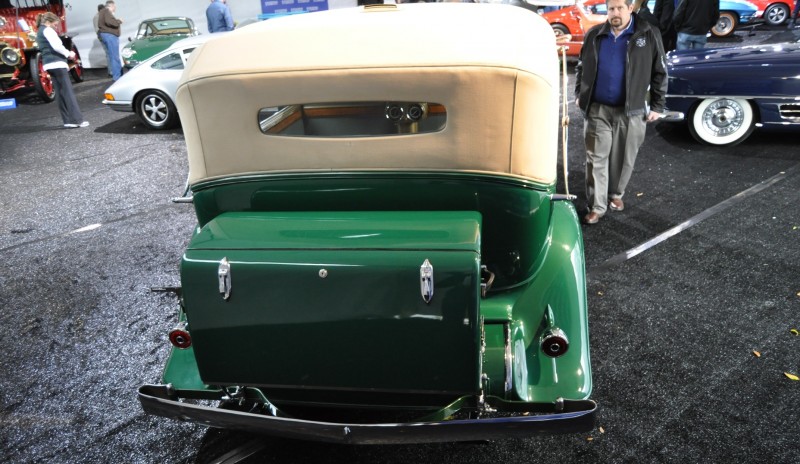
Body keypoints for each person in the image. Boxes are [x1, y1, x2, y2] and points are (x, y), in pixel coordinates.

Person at [574, 0, 667, 225]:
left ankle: (615, 194)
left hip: (631, 109)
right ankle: (597, 205)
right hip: (597, 108)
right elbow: (581, 66)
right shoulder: (595, 34)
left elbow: (660, 71)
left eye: (619, 8)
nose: (614, 13)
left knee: (624, 157)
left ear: (630, 8)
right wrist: (580, 92)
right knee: (595, 158)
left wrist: (657, 105)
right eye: (611, 9)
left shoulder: (648, 33)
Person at [36, 12, 88, 128]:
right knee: (68, 92)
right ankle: (76, 120)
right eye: (55, 24)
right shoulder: (48, 30)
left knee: (60, 93)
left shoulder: (39, 31)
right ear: (49, 22)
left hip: (48, 65)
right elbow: (57, 46)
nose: (55, 27)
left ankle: (68, 120)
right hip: (57, 63)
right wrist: (69, 54)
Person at [97, 0, 123, 80]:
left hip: (107, 35)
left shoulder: (102, 12)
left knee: (114, 56)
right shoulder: (106, 11)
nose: (115, 8)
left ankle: (119, 75)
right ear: (111, 6)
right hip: (110, 36)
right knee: (114, 57)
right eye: (114, 6)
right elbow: (110, 22)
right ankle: (117, 77)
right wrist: (119, 21)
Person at [92, 4, 111, 77]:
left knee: (110, 53)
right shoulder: (97, 17)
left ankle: (112, 71)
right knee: (109, 54)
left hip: (106, 36)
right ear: (100, 10)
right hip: (103, 37)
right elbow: (98, 30)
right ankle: (111, 72)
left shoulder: (102, 16)